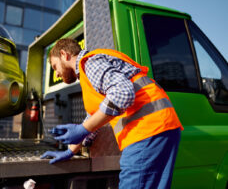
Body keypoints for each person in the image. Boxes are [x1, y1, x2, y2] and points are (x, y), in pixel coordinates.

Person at [41, 38, 183, 188]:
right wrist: (70, 151)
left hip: (146, 131)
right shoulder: (89, 72)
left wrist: (83, 129)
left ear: (64, 54)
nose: (56, 74)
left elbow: (122, 93)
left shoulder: (90, 63)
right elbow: (96, 117)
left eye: (55, 66)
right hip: (160, 128)